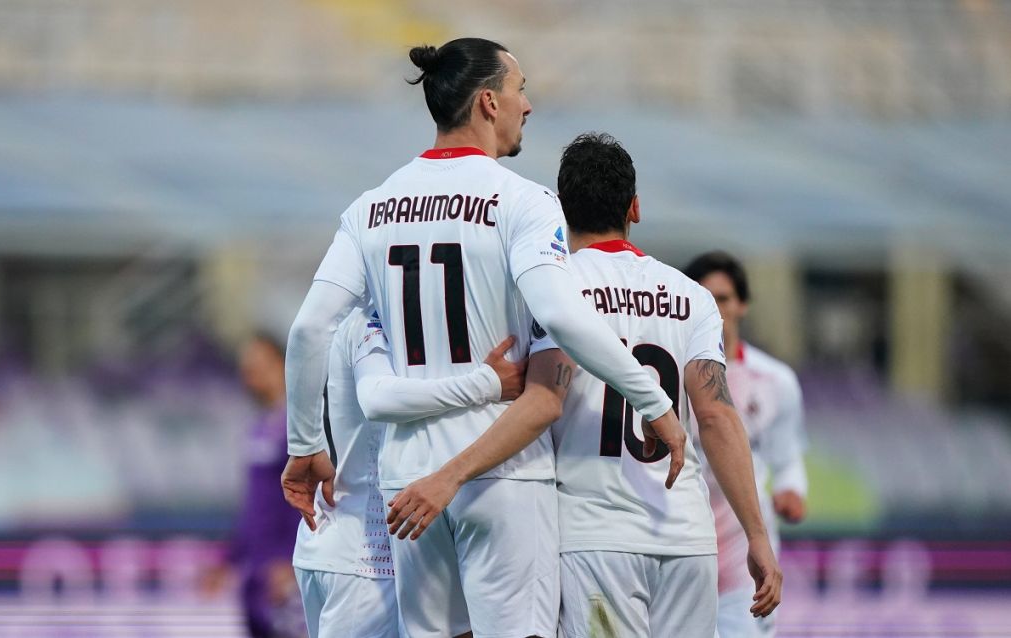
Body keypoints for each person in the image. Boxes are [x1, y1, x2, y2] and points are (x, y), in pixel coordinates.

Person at [282, 38, 685, 638]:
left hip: (407, 482)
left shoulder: (370, 208)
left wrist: (305, 443)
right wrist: (653, 402)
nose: (529, 106)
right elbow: (566, 318)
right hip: (503, 474)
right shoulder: (523, 201)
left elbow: (309, 327)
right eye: (521, 90)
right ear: (489, 103)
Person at [528, 133, 780, 635]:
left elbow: (541, 399)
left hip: (596, 538)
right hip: (686, 540)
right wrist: (757, 534)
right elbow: (716, 416)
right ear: (635, 208)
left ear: (561, 208)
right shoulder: (690, 297)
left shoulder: (552, 289)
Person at [292, 307, 526, 638]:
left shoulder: (350, 316)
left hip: (341, 543)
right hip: (368, 559)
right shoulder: (372, 317)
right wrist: (487, 382)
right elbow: (378, 398)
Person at [684, 251, 808, 638]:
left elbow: (787, 458)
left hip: (746, 559)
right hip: (683, 549)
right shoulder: (668, 377)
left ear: (742, 305)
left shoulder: (776, 380)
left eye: (721, 298)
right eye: (703, 297)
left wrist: (791, 489)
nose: (713, 308)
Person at [219, 334, 304, 638]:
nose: (250, 372)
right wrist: (229, 559)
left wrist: (291, 559)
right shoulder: (258, 427)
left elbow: (306, 497)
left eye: (258, 364)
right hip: (254, 571)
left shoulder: (300, 426)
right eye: (246, 366)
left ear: (282, 365)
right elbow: (255, 505)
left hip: (282, 569)